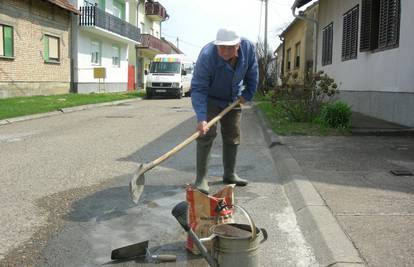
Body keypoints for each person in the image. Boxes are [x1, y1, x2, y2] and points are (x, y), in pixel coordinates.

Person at [190, 28, 259, 194]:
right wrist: (201, 118)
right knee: (205, 135)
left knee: (233, 136)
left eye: (230, 47)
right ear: (216, 45)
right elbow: (198, 88)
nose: (226, 51)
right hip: (210, 99)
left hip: (232, 98)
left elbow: (253, 72)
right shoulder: (207, 56)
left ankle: (230, 174)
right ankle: (201, 179)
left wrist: (247, 94)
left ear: (238, 45)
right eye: (222, 47)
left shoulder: (248, 49)